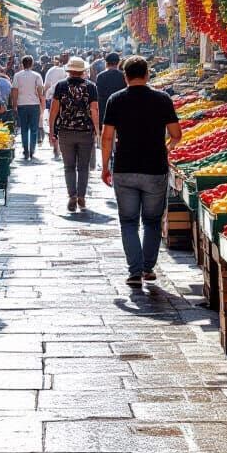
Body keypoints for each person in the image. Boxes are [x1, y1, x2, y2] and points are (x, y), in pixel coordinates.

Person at [101, 55, 183, 288]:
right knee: (152, 221)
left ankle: (134, 271)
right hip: (154, 168)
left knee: (128, 222)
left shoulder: (116, 100)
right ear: (147, 74)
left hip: (124, 168)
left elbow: (107, 137)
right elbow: (176, 134)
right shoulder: (162, 99)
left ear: (125, 76)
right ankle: (148, 268)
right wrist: (165, 148)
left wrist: (105, 166)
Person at [48, 56, 99, 212]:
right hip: (85, 132)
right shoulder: (91, 87)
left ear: (69, 70)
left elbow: (54, 110)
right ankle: (81, 196)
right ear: (83, 71)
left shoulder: (61, 86)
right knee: (83, 167)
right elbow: (94, 110)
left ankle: (72, 196)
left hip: (65, 131)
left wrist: (51, 131)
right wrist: (97, 131)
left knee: (68, 166)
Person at [10, 55, 44, 161]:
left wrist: (14, 105)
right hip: (34, 104)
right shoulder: (37, 75)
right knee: (34, 129)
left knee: (24, 129)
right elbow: (40, 92)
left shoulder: (17, 76)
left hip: (21, 104)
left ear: (22, 64)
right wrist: (42, 104)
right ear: (32, 64)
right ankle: (32, 150)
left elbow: (14, 91)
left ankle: (25, 150)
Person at [42, 55, 68, 159]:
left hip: (53, 98)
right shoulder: (66, 71)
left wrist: (43, 96)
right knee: (64, 122)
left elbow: (47, 85)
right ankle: (62, 146)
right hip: (65, 99)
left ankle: (56, 145)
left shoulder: (51, 71)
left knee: (53, 121)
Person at [96, 52, 127, 123]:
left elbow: (99, 95)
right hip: (120, 110)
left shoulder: (100, 76)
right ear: (118, 63)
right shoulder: (123, 76)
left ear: (106, 63)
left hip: (105, 110)